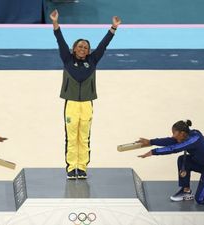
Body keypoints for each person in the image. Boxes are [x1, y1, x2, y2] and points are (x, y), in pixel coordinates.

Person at [50, 9, 121, 180]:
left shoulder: (93, 60)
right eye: (80, 46)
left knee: (84, 137)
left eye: (86, 47)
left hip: (87, 104)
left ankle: (81, 167)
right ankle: (71, 167)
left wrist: (113, 28)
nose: (83, 49)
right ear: (74, 49)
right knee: (71, 136)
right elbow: (60, 41)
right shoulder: (67, 59)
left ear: (89, 51)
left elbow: (103, 45)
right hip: (72, 105)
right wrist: (55, 23)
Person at [136, 120, 204, 204]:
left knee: (200, 199)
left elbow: (173, 148)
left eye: (174, 133)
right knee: (183, 160)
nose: (173, 136)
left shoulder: (194, 139)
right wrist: (150, 142)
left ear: (182, 133)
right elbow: (170, 141)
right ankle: (186, 191)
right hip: (203, 165)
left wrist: (153, 152)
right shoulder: (186, 136)